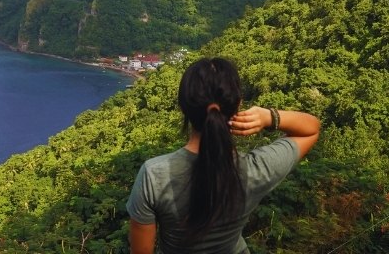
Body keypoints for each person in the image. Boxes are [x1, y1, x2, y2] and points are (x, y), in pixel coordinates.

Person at [126, 57, 320, 253]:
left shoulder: (153, 176)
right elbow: (311, 129)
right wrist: (269, 117)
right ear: (238, 104)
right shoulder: (257, 169)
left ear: (183, 106)